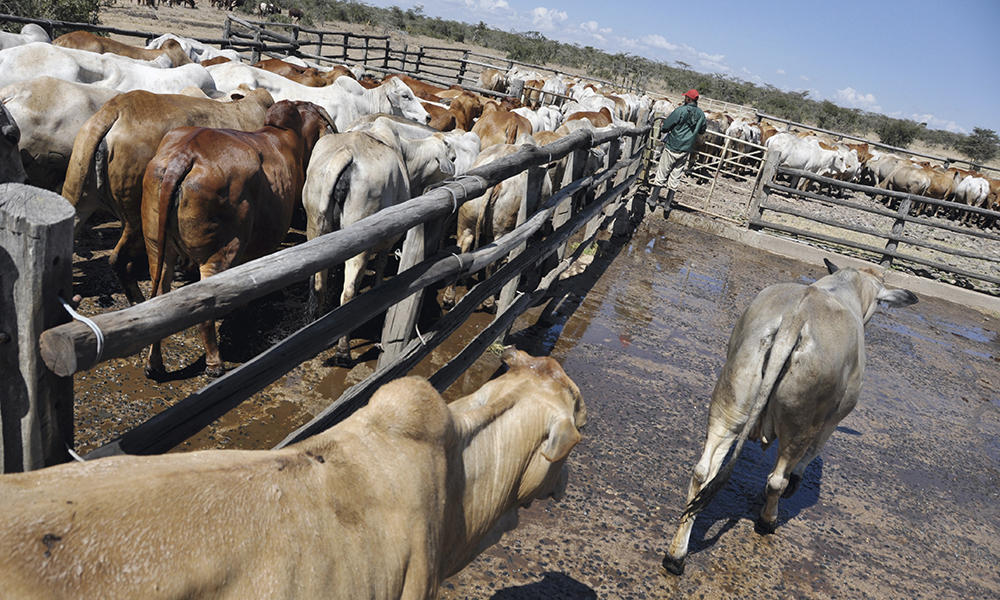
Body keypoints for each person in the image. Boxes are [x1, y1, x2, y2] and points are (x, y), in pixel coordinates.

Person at [649, 89, 707, 212]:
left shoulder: (680, 110)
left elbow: (666, 127)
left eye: (685, 97)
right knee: (676, 176)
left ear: (688, 99)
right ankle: (667, 204)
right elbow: (702, 131)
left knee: (662, 173)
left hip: (672, 146)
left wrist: (664, 127)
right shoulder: (701, 114)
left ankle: (653, 199)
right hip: (686, 149)